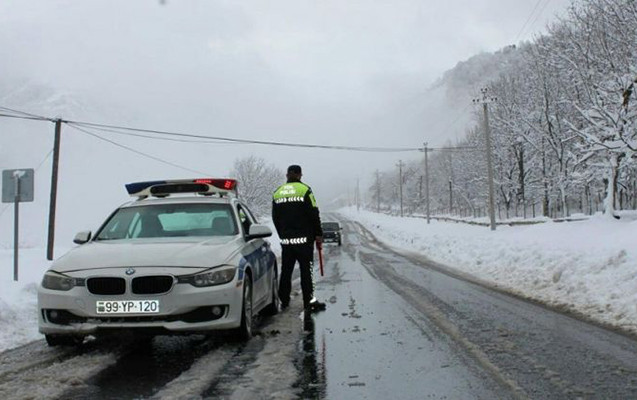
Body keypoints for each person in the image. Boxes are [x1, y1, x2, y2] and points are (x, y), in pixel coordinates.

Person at [272, 165, 326, 313]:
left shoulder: (277, 193)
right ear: (299, 175)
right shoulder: (305, 190)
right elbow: (314, 213)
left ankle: (284, 300)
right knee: (306, 271)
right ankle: (309, 302)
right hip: (304, 241)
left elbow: (275, 218)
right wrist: (318, 234)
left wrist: (282, 234)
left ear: (287, 175)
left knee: (286, 272)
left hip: (286, 241)